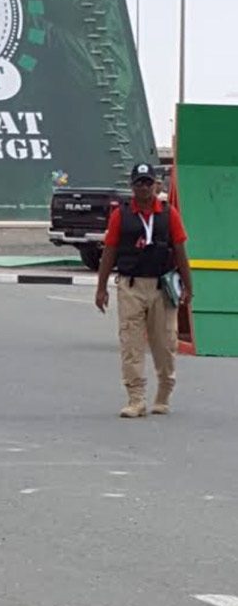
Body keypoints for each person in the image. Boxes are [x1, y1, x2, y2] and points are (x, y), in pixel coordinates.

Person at [95, 162, 192, 418]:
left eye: (148, 183)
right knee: (131, 343)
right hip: (131, 286)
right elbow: (110, 251)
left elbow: (181, 251)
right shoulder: (121, 215)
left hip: (161, 288)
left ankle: (164, 391)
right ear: (132, 186)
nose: (144, 188)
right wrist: (101, 287)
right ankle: (135, 397)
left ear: (156, 185)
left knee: (165, 343)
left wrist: (188, 287)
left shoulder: (168, 214)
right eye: (139, 183)